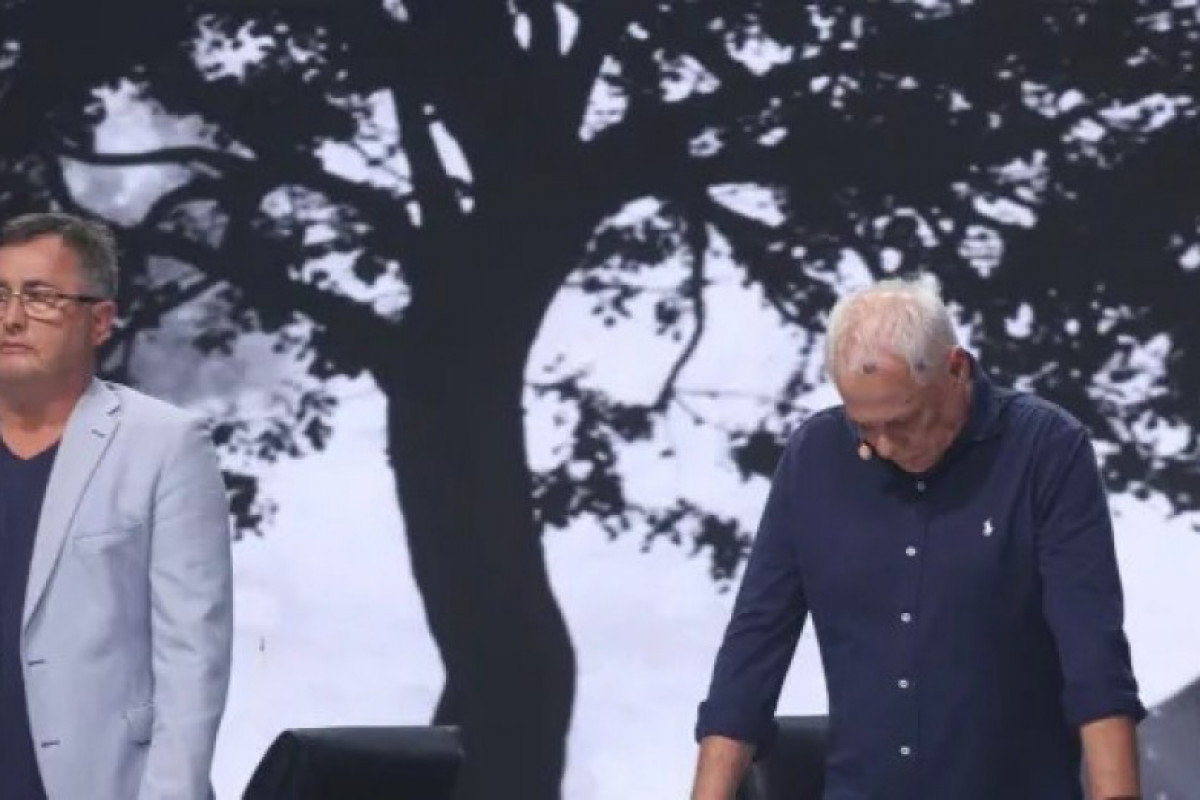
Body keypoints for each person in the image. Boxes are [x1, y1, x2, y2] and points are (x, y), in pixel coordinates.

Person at [691, 274, 1144, 800]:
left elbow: (1094, 657)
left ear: (956, 369)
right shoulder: (814, 458)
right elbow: (753, 647)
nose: (883, 446)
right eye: (864, 426)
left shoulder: (1047, 449)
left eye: (903, 422)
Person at [0, 212, 233, 799]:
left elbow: (192, 659)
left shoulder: (164, 444)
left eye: (41, 297)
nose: (11, 317)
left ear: (100, 320)